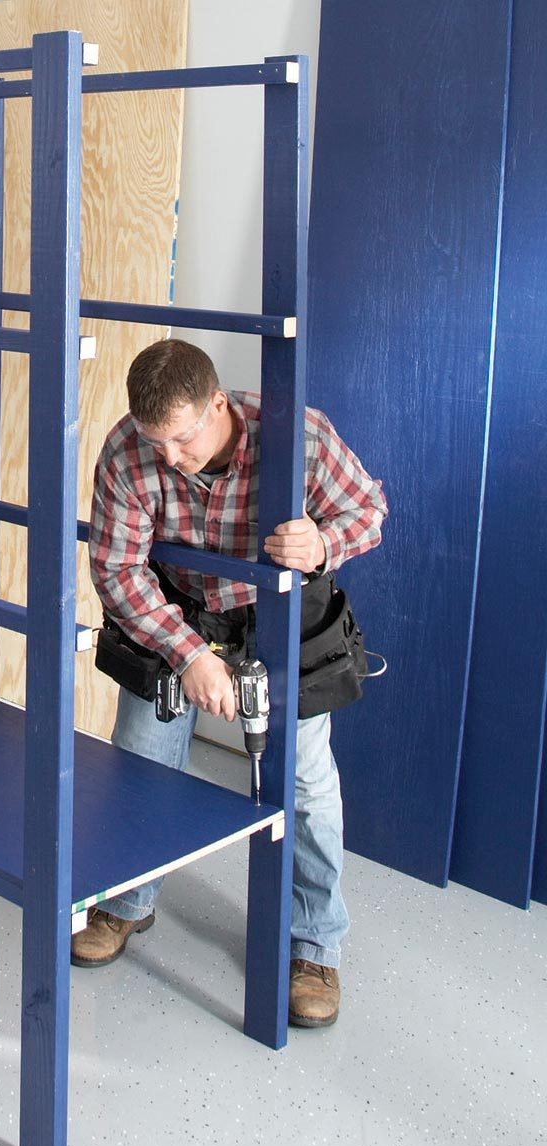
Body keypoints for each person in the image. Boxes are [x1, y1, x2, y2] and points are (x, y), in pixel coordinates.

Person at [77, 338, 387, 1028]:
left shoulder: (301, 437)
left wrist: (322, 544)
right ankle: (126, 902)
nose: (171, 459)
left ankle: (313, 945)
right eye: (159, 444)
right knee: (141, 762)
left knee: (304, 783)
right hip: (177, 613)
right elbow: (119, 571)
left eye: (183, 441)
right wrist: (190, 657)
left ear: (219, 404)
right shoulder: (129, 450)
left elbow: (369, 511)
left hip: (277, 614)